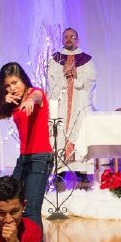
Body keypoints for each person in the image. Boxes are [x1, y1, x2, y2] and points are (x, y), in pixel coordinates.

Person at [0, 62, 54, 242]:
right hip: (24, 159)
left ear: (23, 79)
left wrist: (30, 99)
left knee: (30, 209)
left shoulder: (35, 94)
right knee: (9, 200)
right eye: (7, 85)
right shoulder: (12, 102)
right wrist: (2, 102)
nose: (12, 87)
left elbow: (37, 96)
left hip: (40, 157)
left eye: (15, 82)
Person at [47, 27, 97, 175]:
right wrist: (64, 77)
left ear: (78, 39)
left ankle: (82, 172)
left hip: (79, 102)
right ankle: (59, 172)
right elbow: (50, 79)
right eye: (66, 36)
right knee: (59, 133)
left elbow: (91, 79)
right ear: (62, 39)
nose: (69, 39)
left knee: (80, 131)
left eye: (72, 37)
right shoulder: (55, 58)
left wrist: (76, 76)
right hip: (61, 102)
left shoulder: (86, 59)